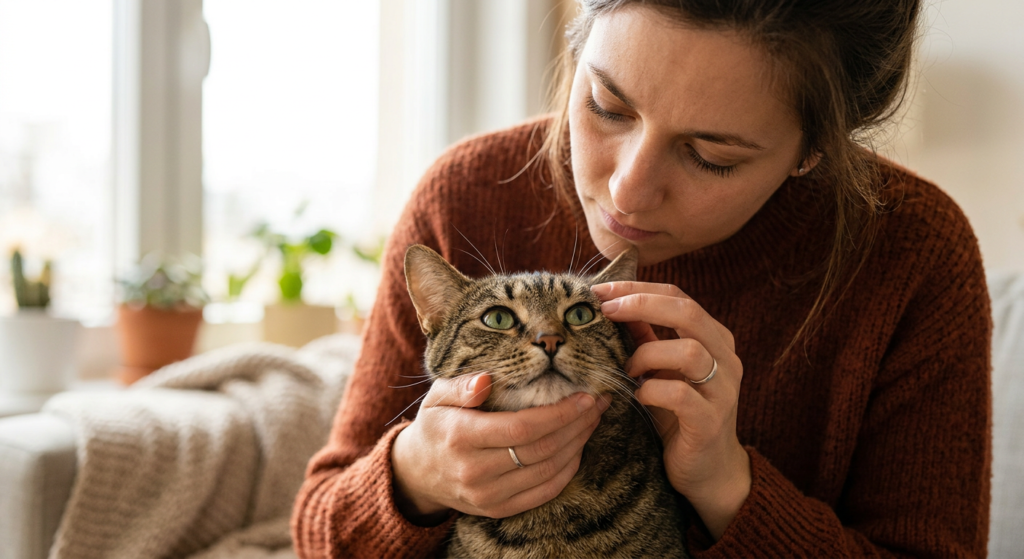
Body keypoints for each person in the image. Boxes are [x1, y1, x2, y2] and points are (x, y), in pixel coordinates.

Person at [292, 1, 992, 557]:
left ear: (813, 152)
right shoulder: (464, 199)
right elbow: (318, 530)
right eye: (606, 105)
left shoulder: (915, 257)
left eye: (710, 154)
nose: (627, 190)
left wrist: (728, 486)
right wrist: (417, 474)